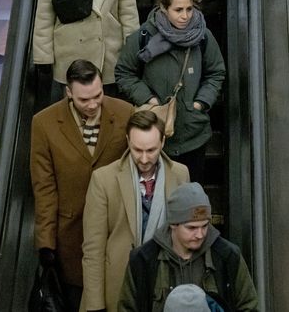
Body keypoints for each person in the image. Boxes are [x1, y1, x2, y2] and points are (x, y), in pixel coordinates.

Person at [31, 59, 135, 311]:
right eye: (83, 100)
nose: (92, 104)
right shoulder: (44, 123)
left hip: (115, 231)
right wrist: (46, 243)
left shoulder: (125, 113)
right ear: (69, 93)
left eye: (97, 96)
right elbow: (44, 187)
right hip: (71, 237)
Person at [114, 0, 225, 180]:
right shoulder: (144, 36)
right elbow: (124, 72)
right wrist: (149, 100)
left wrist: (200, 103)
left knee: (190, 196)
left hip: (193, 133)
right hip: (155, 131)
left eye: (189, 9)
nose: (185, 16)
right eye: (178, 10)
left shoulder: (203, 36)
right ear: (164, 8)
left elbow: (216, 72)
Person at [82, 110, 191, 312]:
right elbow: (93, 249)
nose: (143, 158)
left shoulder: (180, 174)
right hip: (117, 287)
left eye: (151, 150)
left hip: (164, 288)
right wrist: (94, 305)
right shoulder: (103, 179)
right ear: (127, 142)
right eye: (137, 150)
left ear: (163, 143)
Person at [116, 183, 258, 312]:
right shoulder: (144, 260)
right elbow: (127, 308)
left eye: (204, 226)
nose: (200, 234)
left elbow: (249, 306)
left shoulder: (227, 256)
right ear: (173, 224)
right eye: (191, 228)